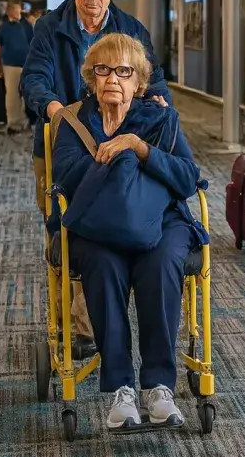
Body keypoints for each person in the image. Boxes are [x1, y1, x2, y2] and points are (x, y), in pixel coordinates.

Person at [22, 0, 173, 358]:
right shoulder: (50, 28)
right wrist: (57, 110)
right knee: (64, 229)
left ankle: (89, 324)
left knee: (109, 225)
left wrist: (158, 102)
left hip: (116, 146)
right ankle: (72, 323)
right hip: (63, 144)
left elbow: (154, 79)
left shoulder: (131, 29)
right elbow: (34, 79)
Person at [51, 34, 204, 431]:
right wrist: (114, 157)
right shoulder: (72, 122)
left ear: (139, 83)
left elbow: (188, 178)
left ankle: (158, 386)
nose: (113, 79)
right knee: (103, 264)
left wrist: (140, 149)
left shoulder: (161, 119)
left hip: (162, 221)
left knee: (162, 262)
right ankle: (121, 388)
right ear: (91, 79)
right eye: (103, 70)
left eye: (124, 71)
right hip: (99, 224)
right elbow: (65, 178)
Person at [0, 0, 34, 134]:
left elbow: (34, 43)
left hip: (27, 64)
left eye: (19, 10)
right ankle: (14, 123)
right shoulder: (3, 27)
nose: (18, 13)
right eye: (16, 10)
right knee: (12, 95)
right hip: (10, 64)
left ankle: (29, 120)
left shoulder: (27, 26)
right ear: (9, 12)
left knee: (29, 93)